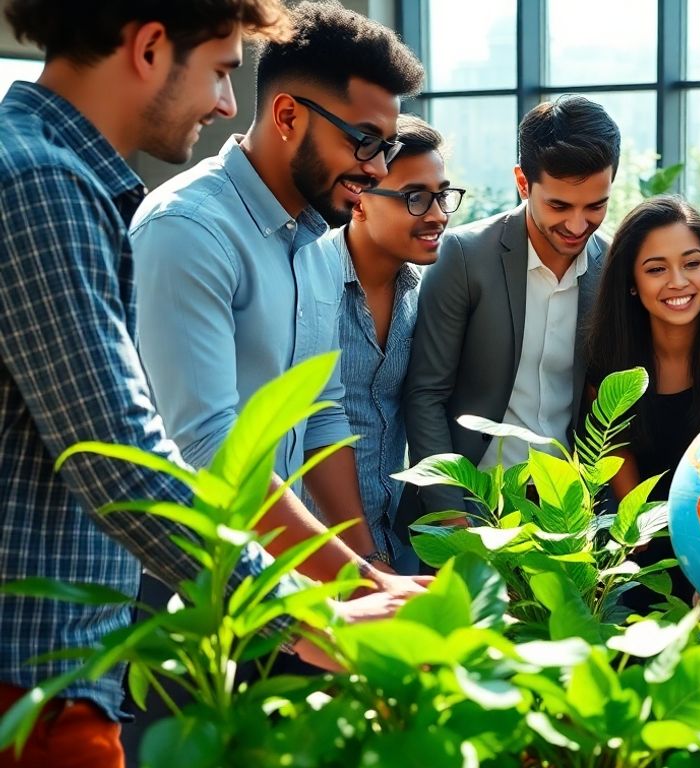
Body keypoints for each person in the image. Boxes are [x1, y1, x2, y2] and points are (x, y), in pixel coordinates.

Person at [0, 3, 413, 765]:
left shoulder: (66, 183)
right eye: (222, 70)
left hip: (73, 663)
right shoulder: (45, 187)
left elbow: (312, 415)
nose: (226, 103)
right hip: (40, 673)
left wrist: (345, 579)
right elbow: (125, 456)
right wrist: (307, 608)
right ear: (150, 45)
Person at [130, 1, 426, 572]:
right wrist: (356, 580)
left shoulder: (319, 239)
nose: (379, 170)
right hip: (189, 587)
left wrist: (367, 559)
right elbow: (210, 446)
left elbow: (320, 413)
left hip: (283, 578)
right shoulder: (187, 231)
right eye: (364, 140)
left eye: (386, 147)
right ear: (288, 116)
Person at [404, 95, 618, 521]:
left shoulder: (612, 266)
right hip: (475, 500)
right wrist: (452, 516)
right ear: (523, 182)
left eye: (595, 206)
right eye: (559, 205)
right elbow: (425, 394)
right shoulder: (463, 257)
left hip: (567, 512)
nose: (578, 225)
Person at [297, 114, 458, 574]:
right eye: (414, 198)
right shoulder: (309, 279)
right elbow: (311, 430)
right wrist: (366, 560)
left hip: (394, 545)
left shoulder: (421, 291)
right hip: (311, 553)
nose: (437, 215)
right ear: (360, 200)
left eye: (442, 195)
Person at [583, 196, 700, 609]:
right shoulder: (611, 357)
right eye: (656, 269)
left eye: (691, 263)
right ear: (631, 282)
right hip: (648, 548)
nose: (678, 282)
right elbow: (616, 448)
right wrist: (636, 530)